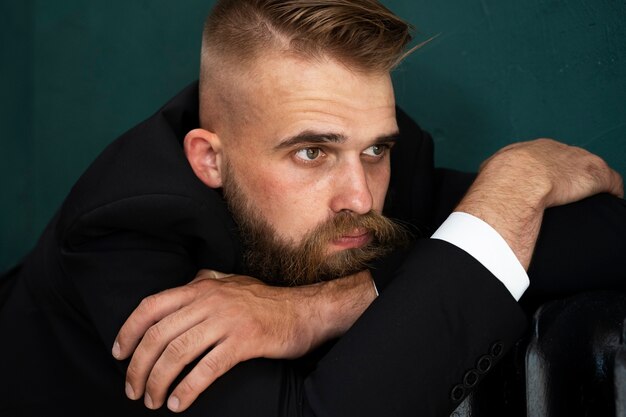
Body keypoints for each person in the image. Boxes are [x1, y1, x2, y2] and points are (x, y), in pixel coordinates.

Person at [1, 1, 625, 416]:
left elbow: (607, 234)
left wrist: (320, 307)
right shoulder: (125, 230)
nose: (359, 197)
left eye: (375, 148)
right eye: (310, 153)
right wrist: (514, 191)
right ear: (209, 160)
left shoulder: (378, 161)